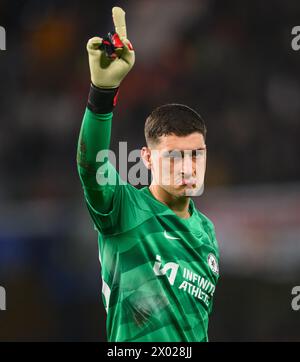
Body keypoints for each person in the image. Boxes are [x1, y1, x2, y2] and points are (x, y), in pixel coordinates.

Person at [77, 7, 219, 342]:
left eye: (195, 154)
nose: (188, 166)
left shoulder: (207, 231)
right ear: (146, 159)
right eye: (173, 156)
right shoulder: (124, 209)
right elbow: (91, 166)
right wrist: (101, 93)